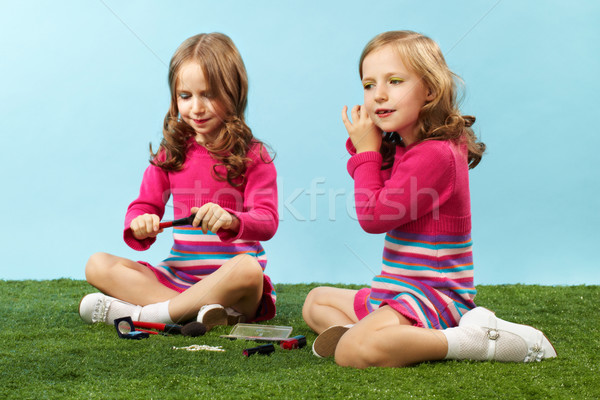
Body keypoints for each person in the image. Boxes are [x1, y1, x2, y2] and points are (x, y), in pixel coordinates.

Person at [302, 30, 556, 368]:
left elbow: (373, 215)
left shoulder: (435, 155)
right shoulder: (409, 148)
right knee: (315, 302)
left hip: (436, 297)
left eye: (394, 81)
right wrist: (371, 146)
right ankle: (380, 337)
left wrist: (366, 151)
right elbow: (377, 184)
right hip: (398, 292)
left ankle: (469, 340)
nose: (378, 96)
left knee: (350, 352)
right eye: (368, 85)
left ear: (430, 90)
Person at [79, 33, 278, 330]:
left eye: (208, 95)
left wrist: (232, 219)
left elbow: (267, 220)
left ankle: (148, 316)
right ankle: (192, 312)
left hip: (233, 287)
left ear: (234, 92)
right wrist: (140, 221)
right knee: (96, 264)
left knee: (248, 268)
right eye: (186, 96)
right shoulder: (171, 153)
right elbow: (143, 205)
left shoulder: (254, 155)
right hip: (177, 279)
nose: (196, 107)